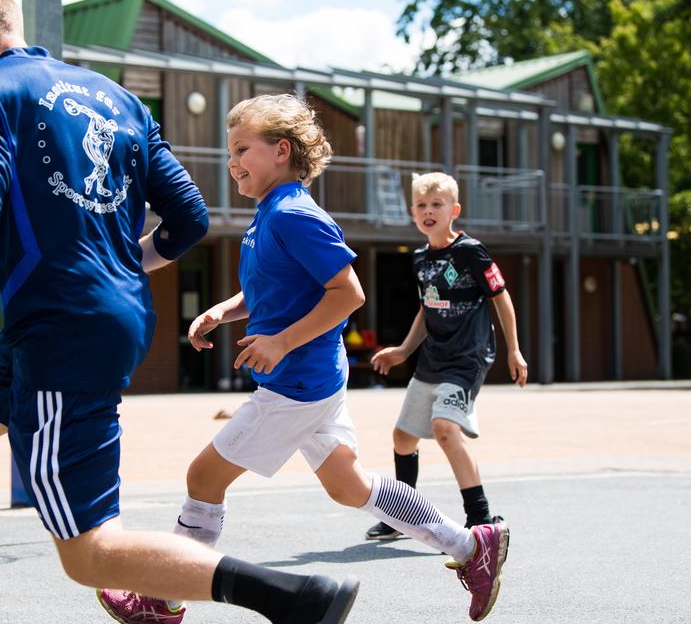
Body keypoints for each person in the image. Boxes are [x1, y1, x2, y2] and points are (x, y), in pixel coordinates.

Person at [0, 0, 361, 623]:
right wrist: (122, 264)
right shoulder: (119, 99)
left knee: (89, 551)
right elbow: (189, 219)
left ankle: (295, 598)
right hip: (90, 318)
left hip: (59, 330)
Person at [99, 94, 510, 623]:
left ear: (281, 151)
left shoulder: (294, 214)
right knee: (350, 485)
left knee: (203, 478)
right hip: (314, 379)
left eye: (242, 149)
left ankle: (163, 598)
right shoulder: (270, 214)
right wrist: (224, 312)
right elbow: (275, 289)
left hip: (297, 384)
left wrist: (281, 342)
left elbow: (347, 293)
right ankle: (472, 547)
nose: (232, 163)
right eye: (230, 152)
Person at [363, 171, 528, 545]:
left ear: (454, 210)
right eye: (421, 205)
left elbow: (500, 297)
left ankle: (480, 518)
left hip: (467, 358)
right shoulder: (421, 258)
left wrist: (514, 349)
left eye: (436, 204)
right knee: (403, 438)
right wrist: (404, 350)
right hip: (432, 359)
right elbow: (428, 307)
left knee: (445, 429)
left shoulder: (471, 251)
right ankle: (400, 516)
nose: (428, 211)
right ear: (412, 213)